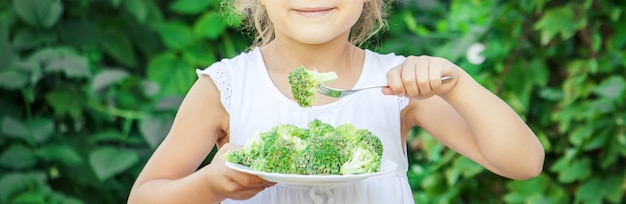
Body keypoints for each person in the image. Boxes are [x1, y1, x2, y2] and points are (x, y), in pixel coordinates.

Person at [127, 0, 545, 203]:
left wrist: (457, 84)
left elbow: (524, 163)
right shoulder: (225, 87)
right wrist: (210, 184)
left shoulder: (397, 87)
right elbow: (143, 197)